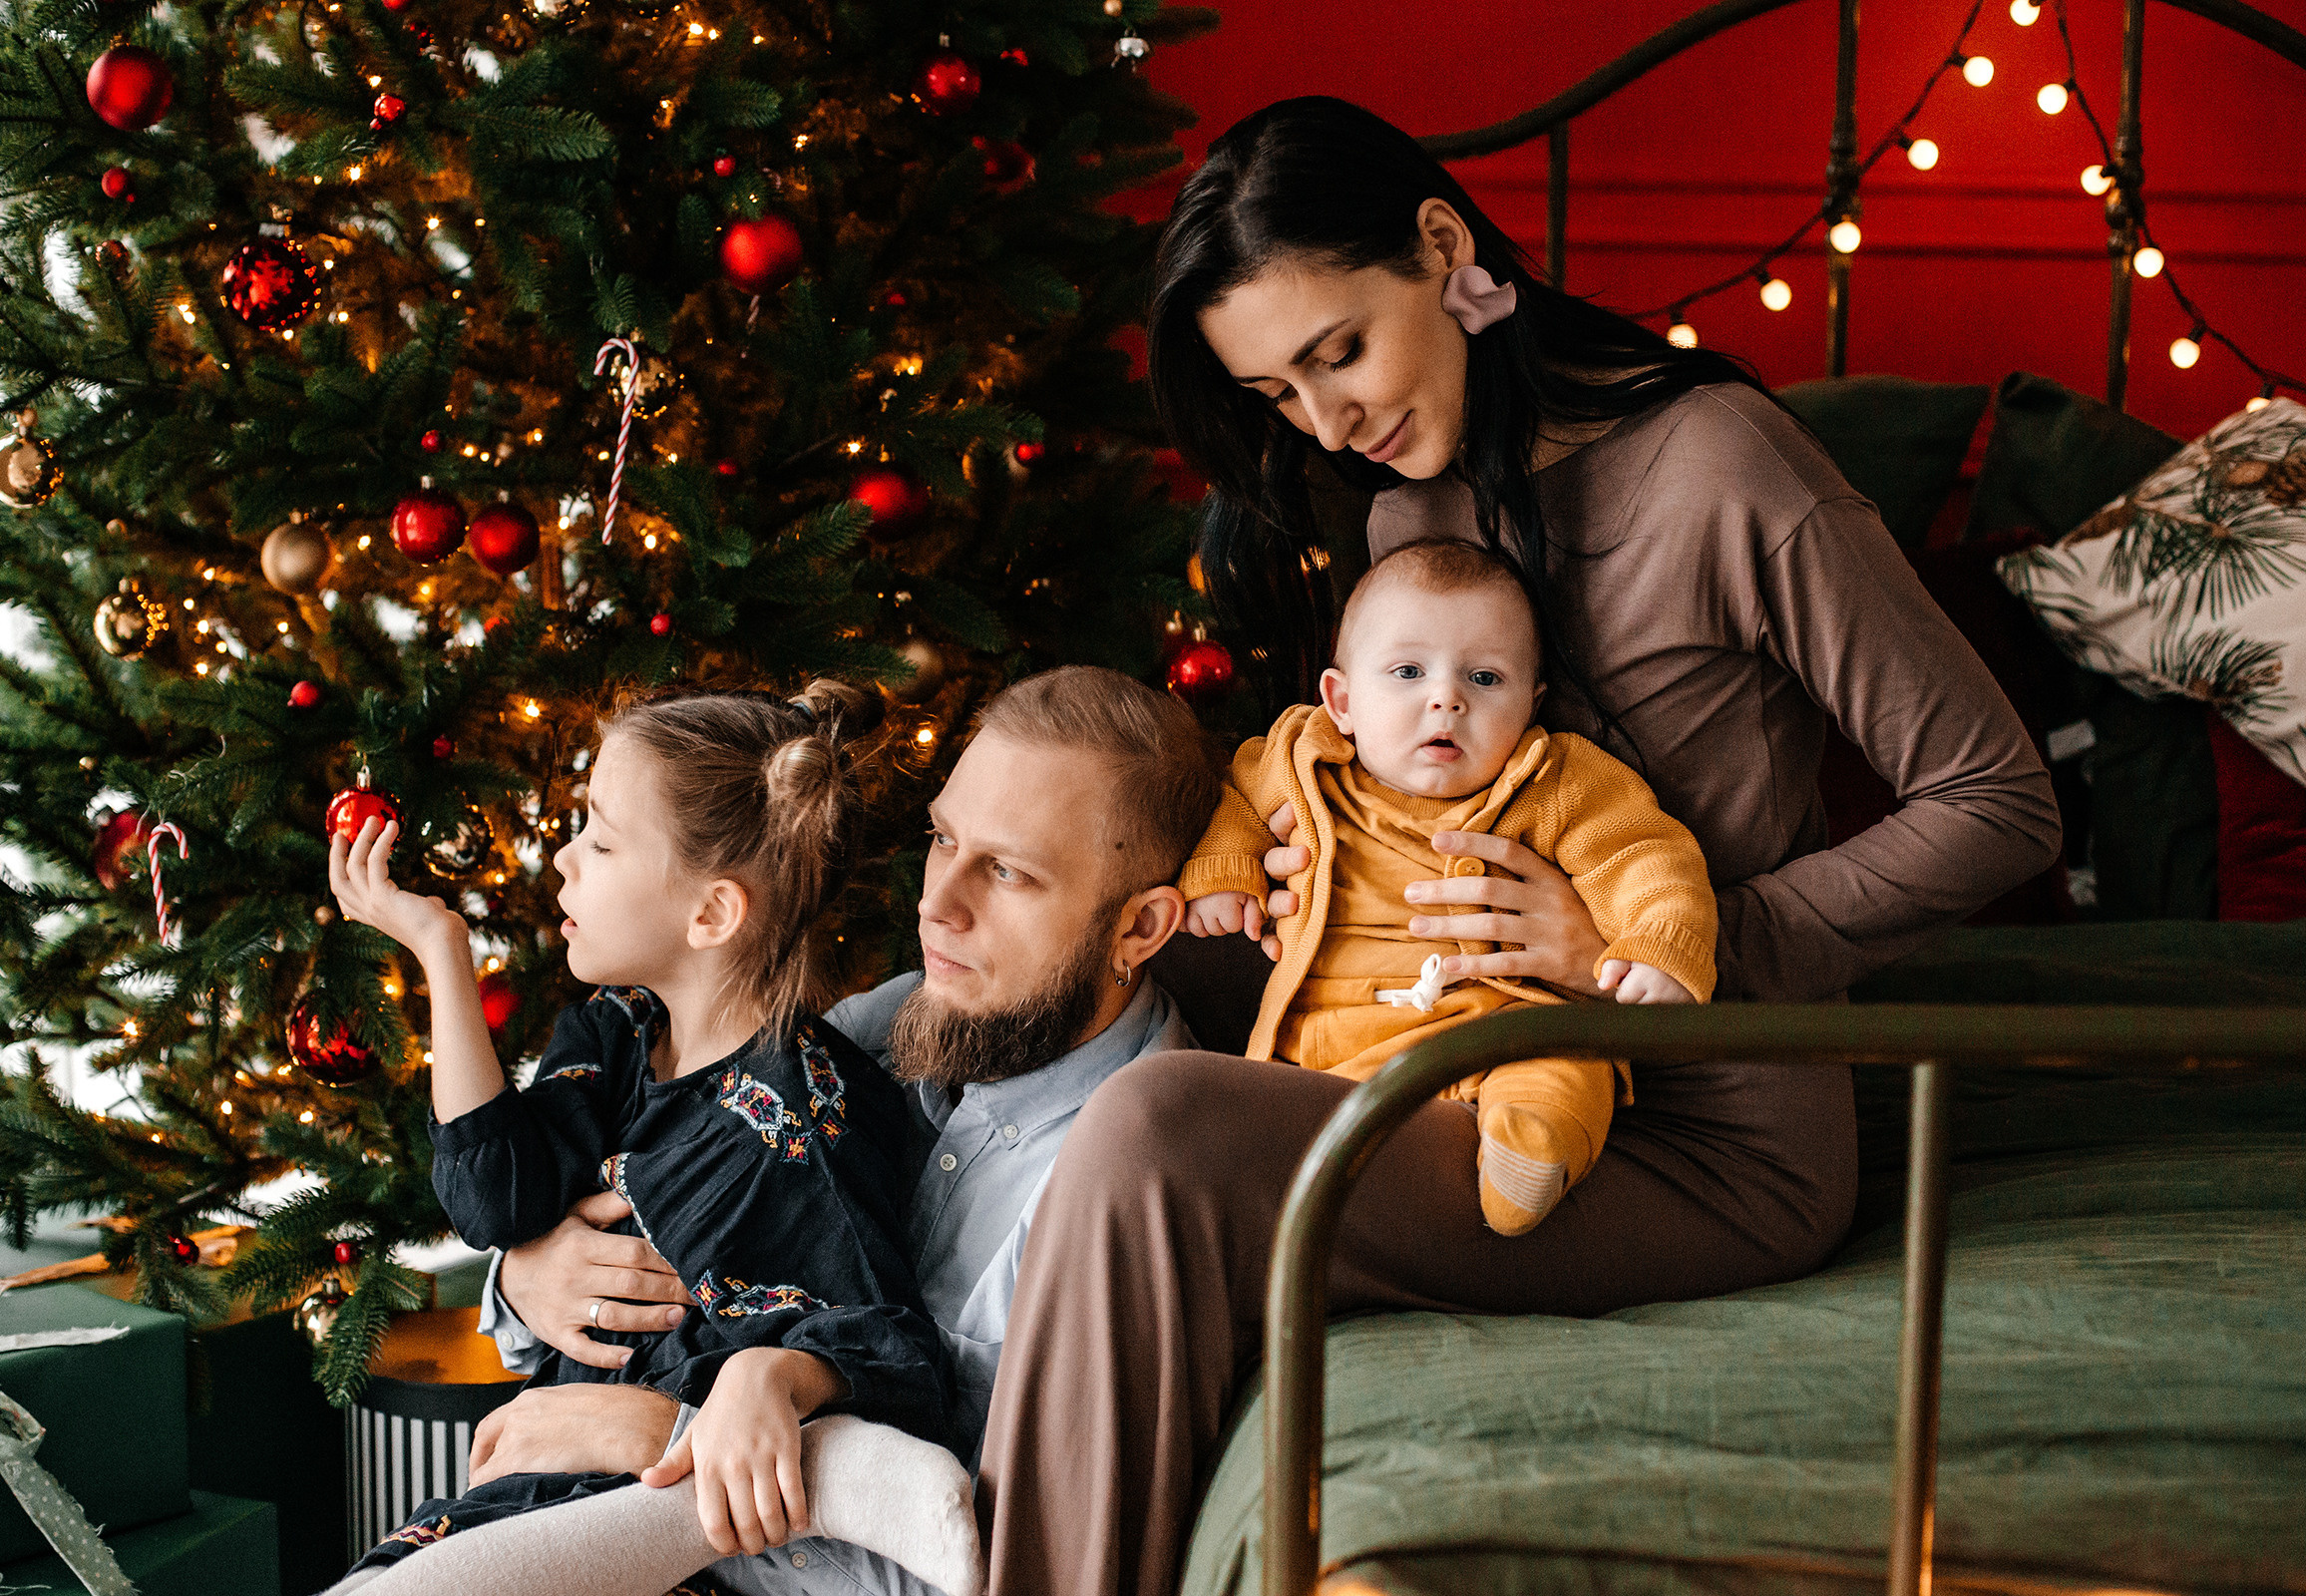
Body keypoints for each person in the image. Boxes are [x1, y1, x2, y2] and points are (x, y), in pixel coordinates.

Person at [964, 95, 2062, 1596]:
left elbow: (1998, 800)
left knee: (1159, 1131)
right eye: (1279, 393)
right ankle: (809, 1385)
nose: (1325, 423)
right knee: (1062, 944)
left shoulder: (1728, 470)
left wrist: (1633, 951)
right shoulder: (1405, 506)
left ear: (1441, 246)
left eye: (1339, 352)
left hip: (1696, 1131)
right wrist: (1292, 881)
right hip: (1433, 1047)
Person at [345, 665, 1228, 1596]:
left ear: (1140, 927)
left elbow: (984, 1567)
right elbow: (668, 1225)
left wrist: (658, 1431)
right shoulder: (886, 1027)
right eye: (943, 839)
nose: (936, 905)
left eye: (1008, 872)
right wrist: (533, 1277)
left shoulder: (1128, 1197)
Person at [321, 682, 964, 1590]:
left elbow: (893, 1352)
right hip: (533, 1493)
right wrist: (442, 952)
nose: (563, 858)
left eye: (601, 840)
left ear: (712, 914)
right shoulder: (616, 1029)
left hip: (661, 1533)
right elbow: (494, 1201)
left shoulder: (805, 1124)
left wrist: (779, 1376)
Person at [1179, 537, 1717, 1236]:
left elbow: (1642, 855)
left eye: (1485, 679)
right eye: (1408, 672)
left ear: (1531, 704)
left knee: (1563, 1066)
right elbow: (1237, 801)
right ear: (1341, 701)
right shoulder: (1301, 759)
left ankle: (1529, 1154)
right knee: (1253, 1106)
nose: (1446, 699)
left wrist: (1660, 944)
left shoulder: (1554, 780)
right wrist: (1224, 874)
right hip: (1330, 1045)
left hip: (1502, 1028)